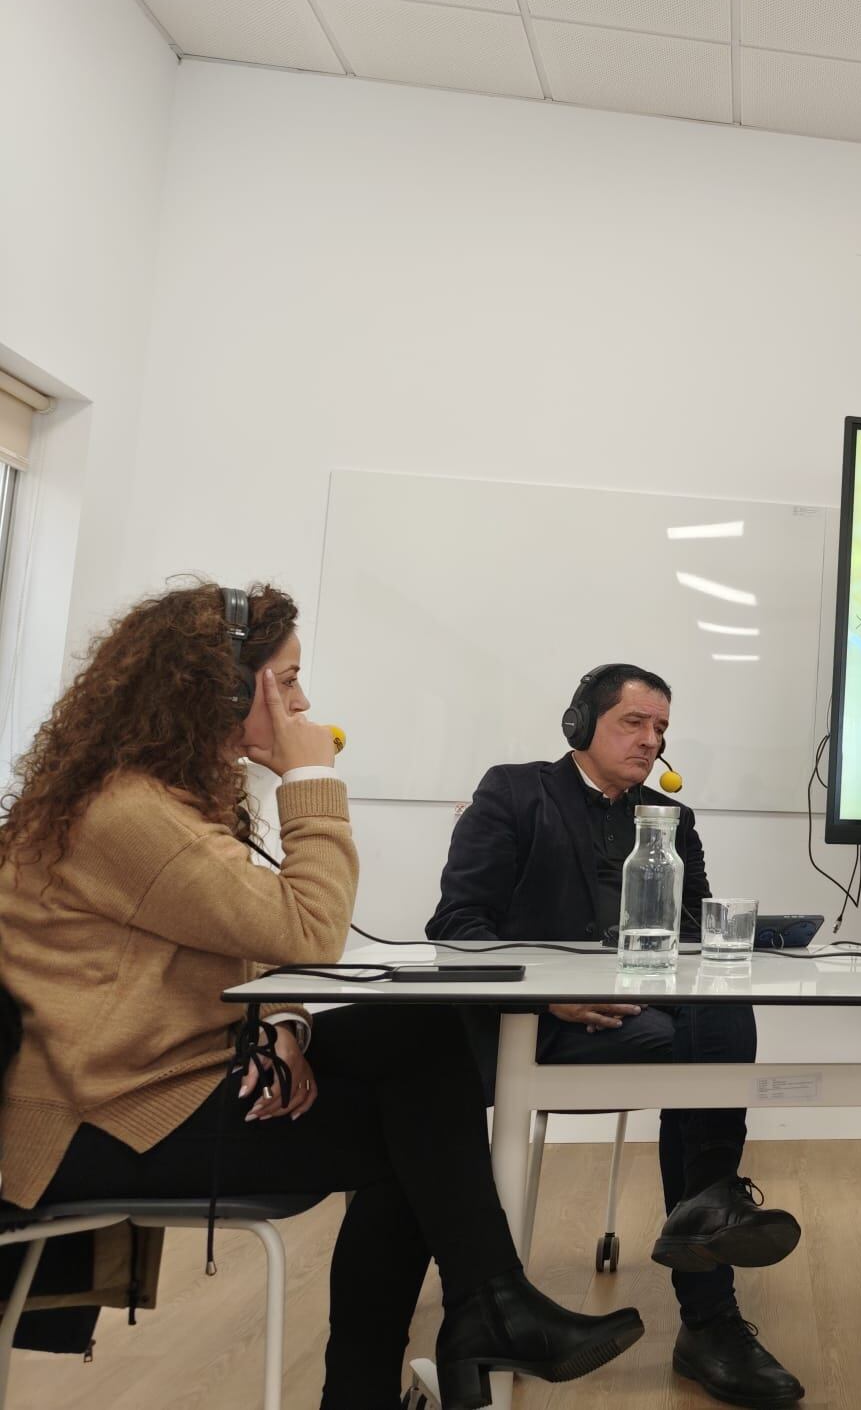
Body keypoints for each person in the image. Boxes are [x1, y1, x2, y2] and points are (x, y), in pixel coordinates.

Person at [0, 582, 642, 1410]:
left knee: (419, 1038)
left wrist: (289, 1024)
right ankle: (445, 1337)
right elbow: (309, 930)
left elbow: (251, 955)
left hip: (166, 1074)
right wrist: (310, 775)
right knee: (417, 1135)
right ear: (225, 690)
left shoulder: (153, 801)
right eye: (289, 680)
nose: (304, 703)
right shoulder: (129, 816)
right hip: (105, 1118)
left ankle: (478, 1313)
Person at [428, 662, 802, 1408]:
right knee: (703, 1057)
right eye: (635, 723)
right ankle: (711, 1272)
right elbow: (457, 929)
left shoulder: (671, 820)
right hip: (532, 1029)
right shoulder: (514, 791)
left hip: (641, 1026)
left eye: (661, 729)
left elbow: (693, 940)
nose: (651, 742)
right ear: (580, 724)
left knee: (721, 1010)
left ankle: (708, 1250)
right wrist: (551, 999)